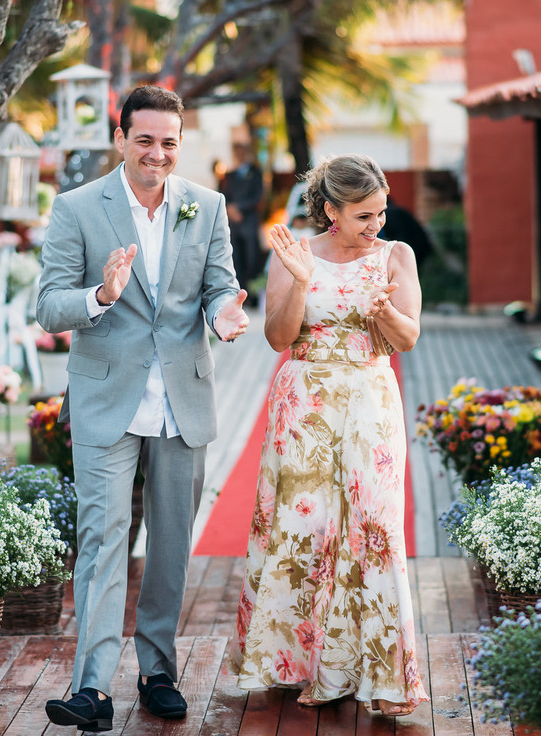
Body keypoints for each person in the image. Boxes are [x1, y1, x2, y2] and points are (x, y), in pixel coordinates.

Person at [36, 85, 249, 732]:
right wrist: (102, 292)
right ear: (121, 139)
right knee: (102, 542)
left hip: (182, 397)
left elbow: (217, 285)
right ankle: (92, 690)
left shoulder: (206, 207)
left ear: (179, 145)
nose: (157, 154)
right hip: (106, 397)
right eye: (145, 140)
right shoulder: (76, 208)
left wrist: (225, 313)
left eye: (169, 143)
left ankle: (159, 670)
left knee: (171, 546)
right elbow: (48, 305)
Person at [230, 153, 429, 716]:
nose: (376, 227)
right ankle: (293, 663)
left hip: (370, 399)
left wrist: (383, 311)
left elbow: (408, 338)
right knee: (302, 524)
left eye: (380, 213)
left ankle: (374, 671)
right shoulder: (296, 252)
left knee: (371, 526)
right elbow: (276, 337)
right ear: (329, 211)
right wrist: (299, 281)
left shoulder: (397, 256)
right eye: (364, 216)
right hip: (304, 403)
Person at [224, 141, 264, 299]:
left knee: (251, 257)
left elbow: (257, 196)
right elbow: (223, 194)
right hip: (233, 224)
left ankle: (252, 295)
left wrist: (239, 207)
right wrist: (229, 208)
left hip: (249, 222)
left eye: (241, 151)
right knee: (235, 258)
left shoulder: (256, 173)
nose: (239, 155)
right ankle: (238, 293)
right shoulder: (230, 175)